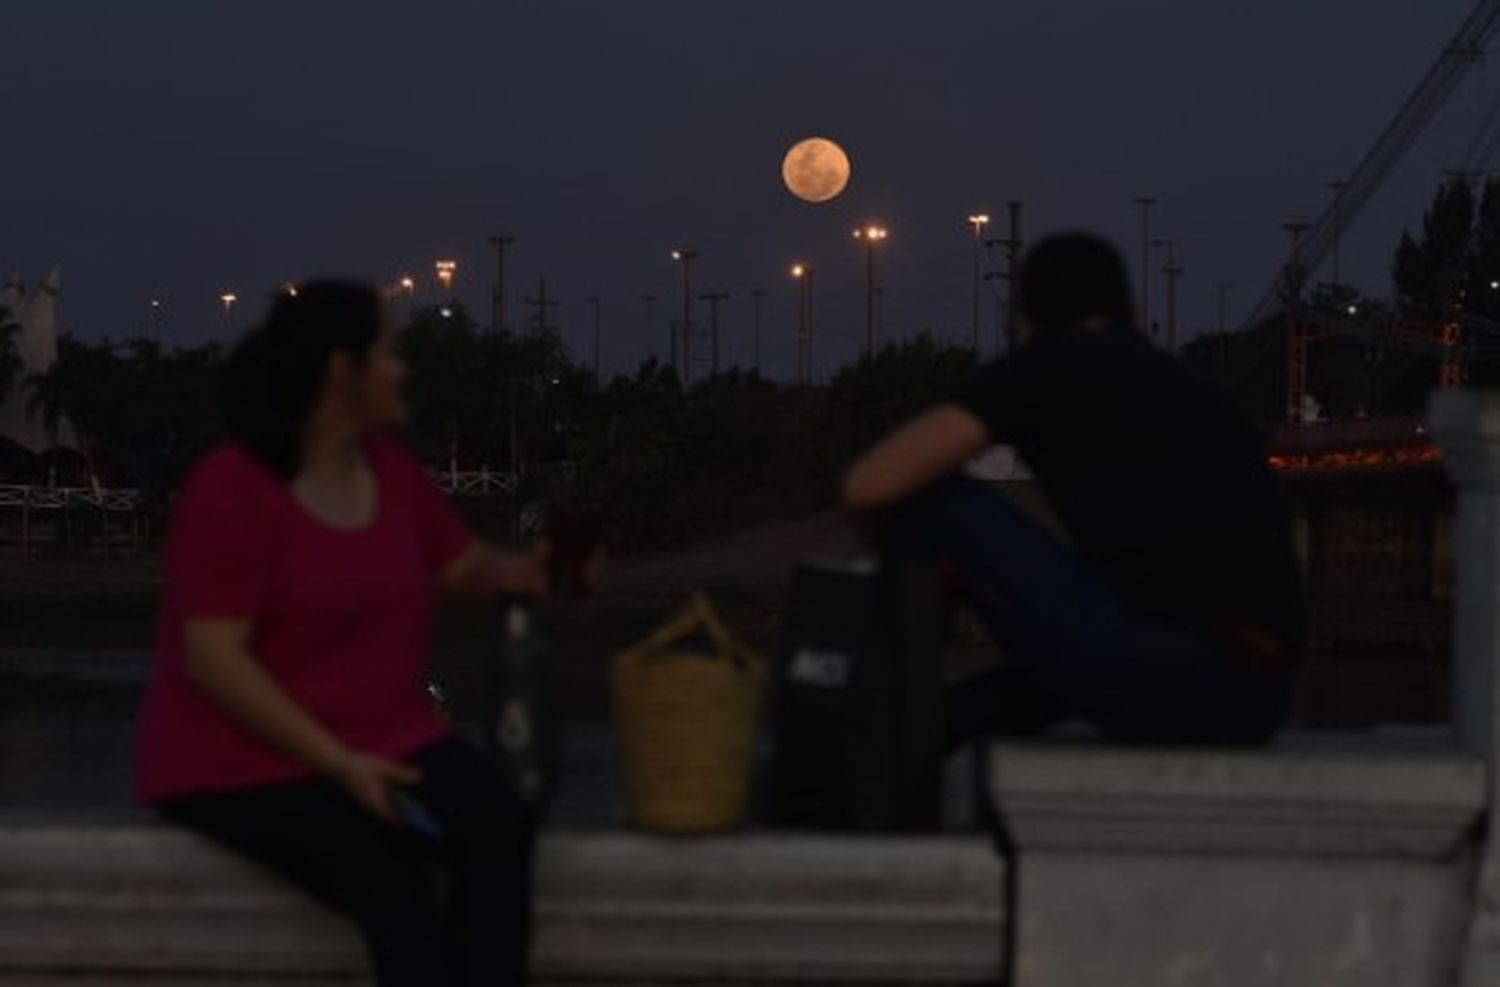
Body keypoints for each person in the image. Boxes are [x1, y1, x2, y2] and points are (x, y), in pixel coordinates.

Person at [136, 281, 557, 987]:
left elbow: (463, 564)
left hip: (383, 736)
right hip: (243, 760)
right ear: (342, 370)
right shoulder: (233, 487)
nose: (402, 370)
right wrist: (338, 764)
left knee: (498, 826)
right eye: (388, 352)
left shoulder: (390, 473)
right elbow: (213, 659)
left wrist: (532, 572)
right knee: (392, 879)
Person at [842, 234, 1303, 747]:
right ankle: (920, 732)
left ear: (1024, 321)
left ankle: (880, 714)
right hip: (1261, 697)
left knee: (931, 501)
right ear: (1130, 310)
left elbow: (871, 484)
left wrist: (883, 544)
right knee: (991, 697)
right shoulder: (1186, 384)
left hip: (1172, 675)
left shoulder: (1045, 364)